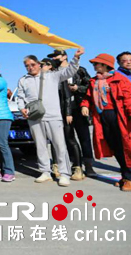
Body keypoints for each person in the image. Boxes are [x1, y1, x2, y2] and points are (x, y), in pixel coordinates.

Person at [16, 48, 84, 187]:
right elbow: (20, 97)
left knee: (59, 145)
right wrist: (22, 108)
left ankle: (64, 174)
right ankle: (45, 172)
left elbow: (69, 71)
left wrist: (76, 58)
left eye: (32, 64)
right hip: (34, 116)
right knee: (40, 145)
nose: (30, 67)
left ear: (39, 64)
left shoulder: (52, 75)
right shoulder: (23, 80)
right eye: (27, 66)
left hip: (53, 115)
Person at [81, 53, 131, 192]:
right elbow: (88, 97)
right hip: (102, 118)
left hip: (120, 117)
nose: (94, 66)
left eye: (96, 64)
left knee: (128, 147)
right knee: (116, 147)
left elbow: (129, 98)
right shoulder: (94, 81)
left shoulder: (121, 80)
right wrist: (85, 105)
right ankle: (125, 176)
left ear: (105, 65)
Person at [49, 49, 96, 177]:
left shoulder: (79, 70)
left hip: (79, 107)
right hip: (63, 109)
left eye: (56, 56)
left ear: (64, 57)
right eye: (52, 57)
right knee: (68, 137)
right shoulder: (53, 72)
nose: (54, 58)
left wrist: (77, 88)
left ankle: (89, 166)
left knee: (84, 137)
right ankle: (75, 165)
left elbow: (90, 86)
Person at [43, 56, 84, 181]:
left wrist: (68, 113)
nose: (40, 67)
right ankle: (56, 167)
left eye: (43, 64)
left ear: (50, 66)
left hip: (63, 113)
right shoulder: (41, 80)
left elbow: (66, 96)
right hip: (51, 114)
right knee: (54, 141)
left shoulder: (59, 78)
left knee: (70, 139)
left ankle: (77, 167)